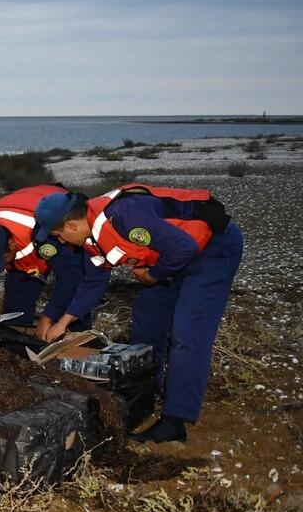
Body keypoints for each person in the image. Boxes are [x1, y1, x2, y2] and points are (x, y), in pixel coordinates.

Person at [33, 184, 242, 443]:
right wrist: (63, 322)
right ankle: (146, 391)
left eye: (59, 236)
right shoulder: (91, 240)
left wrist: (152, 276)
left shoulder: (124, 216)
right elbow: (92, 284)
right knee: (147, 316)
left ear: (71, 226)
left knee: (188, 332)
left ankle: (175, 421)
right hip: (171, 257)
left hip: (212, 249)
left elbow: (184, 247)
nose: (62, 243)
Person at [0, 184, 109, 335]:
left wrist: (48, 317)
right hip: (27, 232)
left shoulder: (50, 234)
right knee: (15, 317)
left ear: (12, 244)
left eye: (3, 259)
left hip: (59, 217)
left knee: (69, 314)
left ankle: (78, 344)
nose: (3, 265)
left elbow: (71, 277)